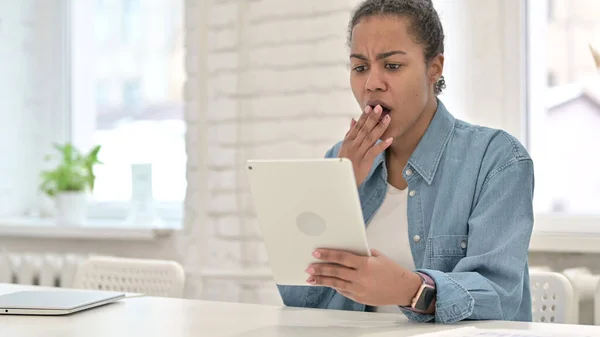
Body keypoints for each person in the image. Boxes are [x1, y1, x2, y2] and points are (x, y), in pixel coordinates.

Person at [276, 0, 535, 324]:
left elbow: (500, 294)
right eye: (360, 67)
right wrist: (337, 185)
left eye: (393, 66)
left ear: (434, 67)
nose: (372, 83)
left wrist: (412, 290)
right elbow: (299, 297)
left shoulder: (496, 160)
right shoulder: (338, 161)